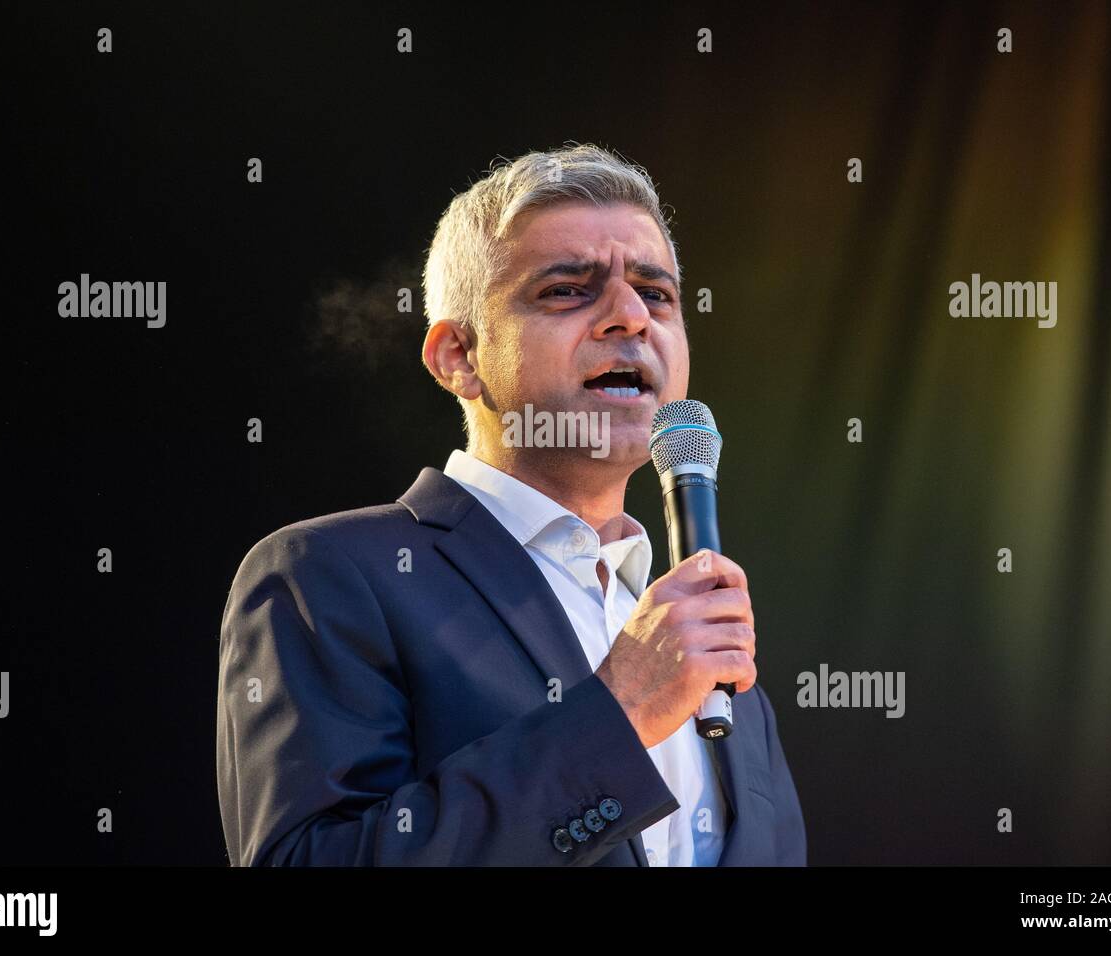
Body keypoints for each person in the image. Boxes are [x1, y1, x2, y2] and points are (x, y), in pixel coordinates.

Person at [216, 143, 806, 866]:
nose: (630, 317)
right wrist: (618, 715)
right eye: (568, 289)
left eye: (657, 293)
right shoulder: (331, 576)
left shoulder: (711, 660)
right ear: (457, 356)